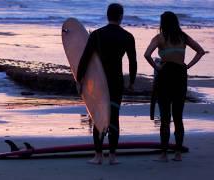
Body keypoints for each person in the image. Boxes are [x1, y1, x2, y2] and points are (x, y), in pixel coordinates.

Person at [77, 3, 137, 165]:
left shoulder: (96, 35)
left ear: (107, 15)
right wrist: (131, 81)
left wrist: (79, 79)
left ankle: (98, 156)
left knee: (98, 117)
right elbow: (133, 62)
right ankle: (112, 156)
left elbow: (85, 58)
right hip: (116, 81)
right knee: (114, 117)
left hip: (99, 82)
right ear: (121, 16)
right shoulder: (128, 36)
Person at [144, 11, 206, 162]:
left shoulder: (160, 38)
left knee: (165, 117)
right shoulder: (183, 37)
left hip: (165, 76)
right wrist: (188, 66)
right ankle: (178, 154)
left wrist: (157, 67)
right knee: (178, 117)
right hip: (180, 76)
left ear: (162, 23)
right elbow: (200, 51)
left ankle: (164, 154)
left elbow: (147, 54)